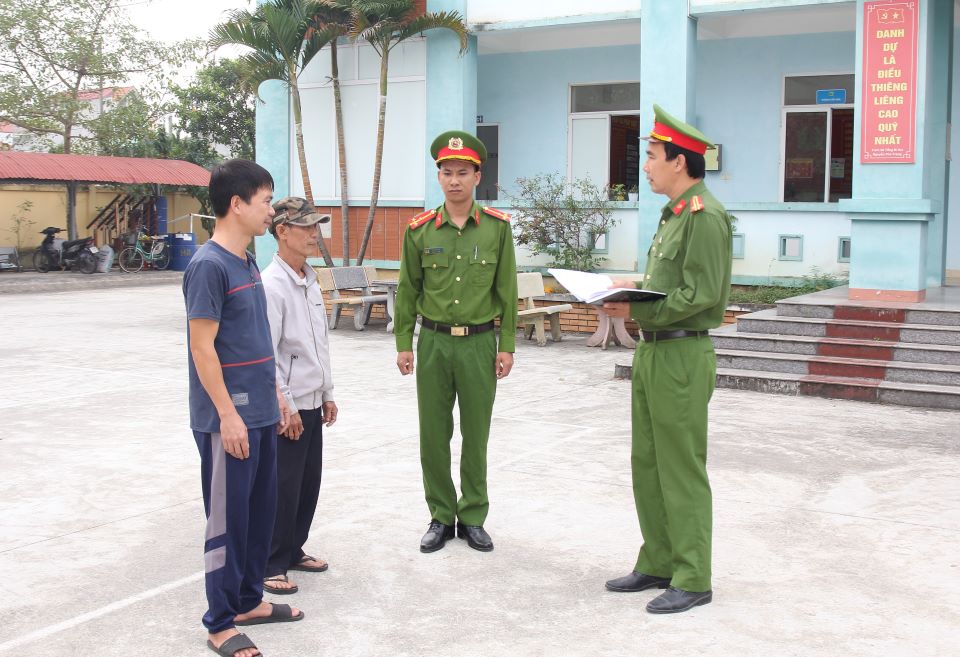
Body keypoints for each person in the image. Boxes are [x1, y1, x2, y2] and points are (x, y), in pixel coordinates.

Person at [602, 105, 733, 614]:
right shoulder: (674, 215)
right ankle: (658, 558)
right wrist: (627, 289)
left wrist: (637, 308)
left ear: (680, 162)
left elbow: (704, 296)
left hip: (682, 351)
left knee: (681, 467)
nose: (647, 166)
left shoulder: (705, 217)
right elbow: (666, 285)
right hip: (655, 352)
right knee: (649, 463)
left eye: (652, 157)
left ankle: (694, 574)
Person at [183, 159, 302, 657]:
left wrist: (274, 396)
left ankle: (250, 600)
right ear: (237, 203)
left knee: (258, 514)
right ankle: (219, 622)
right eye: (266, 200)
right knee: (228, 522)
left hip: (261, 413)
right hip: (227, 420)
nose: (271, 210)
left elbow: (255, 341)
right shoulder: (208, 266)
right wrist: (228, 414)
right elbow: (202, 348)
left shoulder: (247, 260)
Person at [394, 130, 518, 554]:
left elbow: (507, 290)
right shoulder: (420, 230)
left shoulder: (498, 229)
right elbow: (407, 290)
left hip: (480, 344)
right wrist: (403, 342)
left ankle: (474, 516)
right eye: (446, 173)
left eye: (462, 172)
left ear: (477, 176)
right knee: (433, 433)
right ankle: (440, 516)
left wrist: (508, 345)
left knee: (476, 434)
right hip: (433, 343)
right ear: (439, 177)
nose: (454, 181)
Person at [260, 197, 339, 596]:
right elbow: (267, 353)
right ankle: (271, 561)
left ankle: (293, 550)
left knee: (308, 483)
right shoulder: (272, 285)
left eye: (316, 227)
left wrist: (327, 391)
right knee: (283, 486)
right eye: (306, 227)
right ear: (282, 231)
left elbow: (317, 344)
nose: (314, 234)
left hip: (311, 400)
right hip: (288, 407)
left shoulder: (309, 279)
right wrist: (284, 405)